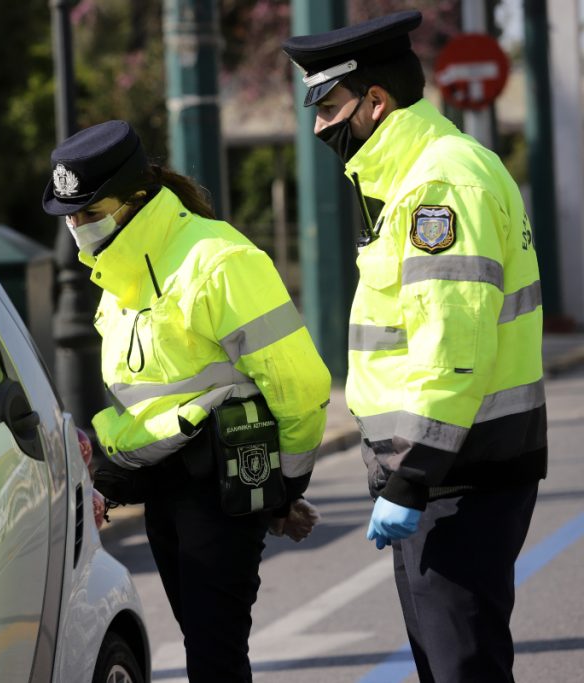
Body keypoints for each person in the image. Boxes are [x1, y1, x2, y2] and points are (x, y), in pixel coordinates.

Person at [282, 11, 547, 682]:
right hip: (450, 469)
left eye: (330, 107)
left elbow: (450, 349)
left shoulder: (436, 187)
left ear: (376, 102)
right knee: (448, 661)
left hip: (455, 473)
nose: (319, 127)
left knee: (461, 666)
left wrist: (415, 472)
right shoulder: (423, 176)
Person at [42, 120, 331, 682]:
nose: (77, 226)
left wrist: (278, 490)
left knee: (214, 655)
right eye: (70, 217)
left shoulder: (218, 260)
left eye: (90, 212)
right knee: (207, 648)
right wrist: (107, 478)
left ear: (136, 199)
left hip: (223, 489)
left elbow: (301, 386)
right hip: (165, 489)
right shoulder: (117, 276)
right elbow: (149, 404)